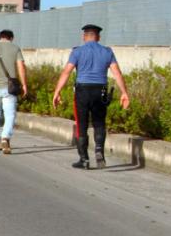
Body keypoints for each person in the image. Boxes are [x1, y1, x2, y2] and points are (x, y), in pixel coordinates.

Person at [52, 24, 131, 169]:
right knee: (99, 123)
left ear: (84, 36)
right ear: (98, 37)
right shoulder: (107, 52)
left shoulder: (77, 51)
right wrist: (124, 93)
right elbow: (117, 73)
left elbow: (66, 72)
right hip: (100, 90)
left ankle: (84, 159)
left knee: (81, 124)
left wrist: (57, 91)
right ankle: (99, 151)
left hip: (82, 91)